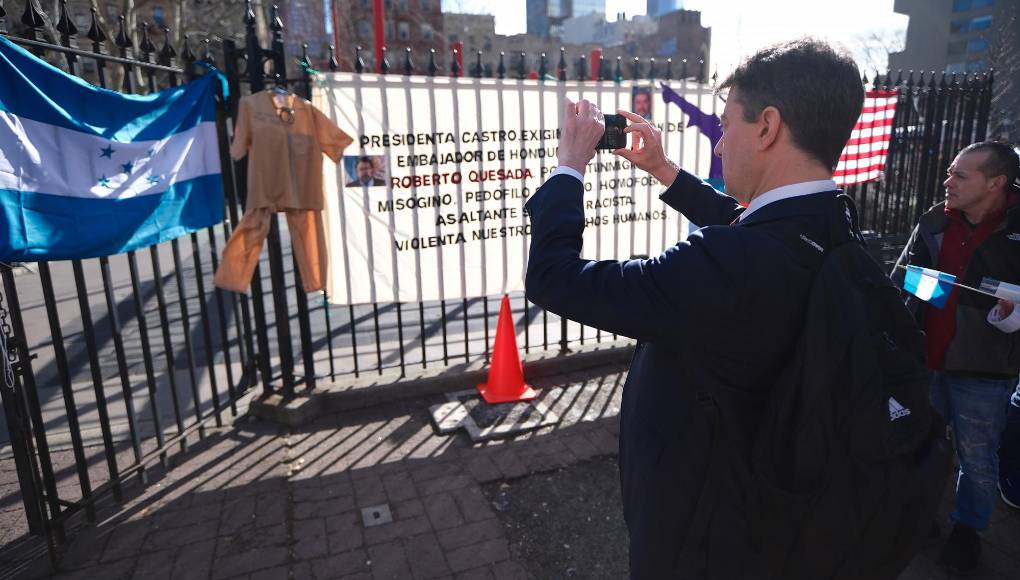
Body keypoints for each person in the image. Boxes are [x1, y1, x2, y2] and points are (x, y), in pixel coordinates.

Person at [525, 39, 864, 578]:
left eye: (726, 126)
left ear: (768, 126)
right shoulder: (835, 225)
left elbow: (554, 280)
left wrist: (569, 167)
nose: (721, 145)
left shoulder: (724, 266)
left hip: (701, 529)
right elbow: (754, 225)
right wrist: (664, 170)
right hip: (777, 504)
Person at [892, 141, 1020, 575]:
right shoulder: (933, 221)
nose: (947, 182)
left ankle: (967, 534)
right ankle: (917, 519)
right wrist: (973, 300)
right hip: (924, 360)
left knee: (978, 459)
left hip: (986, 373)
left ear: (996, 182)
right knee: (917, 446)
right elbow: (903, 279)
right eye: (950, 172)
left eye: (960, 176)